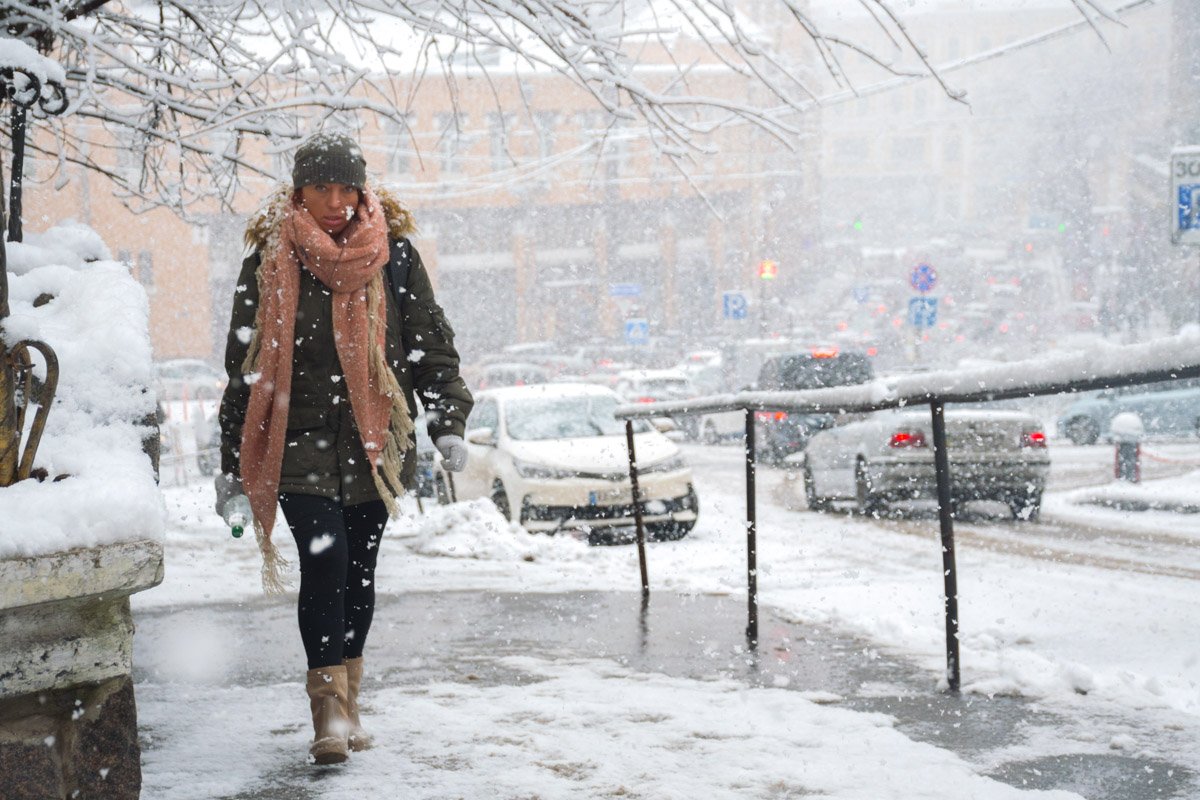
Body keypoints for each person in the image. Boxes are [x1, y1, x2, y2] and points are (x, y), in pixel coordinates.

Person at [214, 131, 473, 765]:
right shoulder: (272, 257)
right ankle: (327, 707)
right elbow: (243, 363)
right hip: (294, 442)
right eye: (321, 188)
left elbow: (427, 341)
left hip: (374, 442)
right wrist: (231, 465)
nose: (335, 202)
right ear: (297, 190)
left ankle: (351, 698)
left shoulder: (394, 256)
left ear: (361, 190)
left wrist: (447, 418)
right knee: (325, 565)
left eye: (345, 188)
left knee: (360, 570)